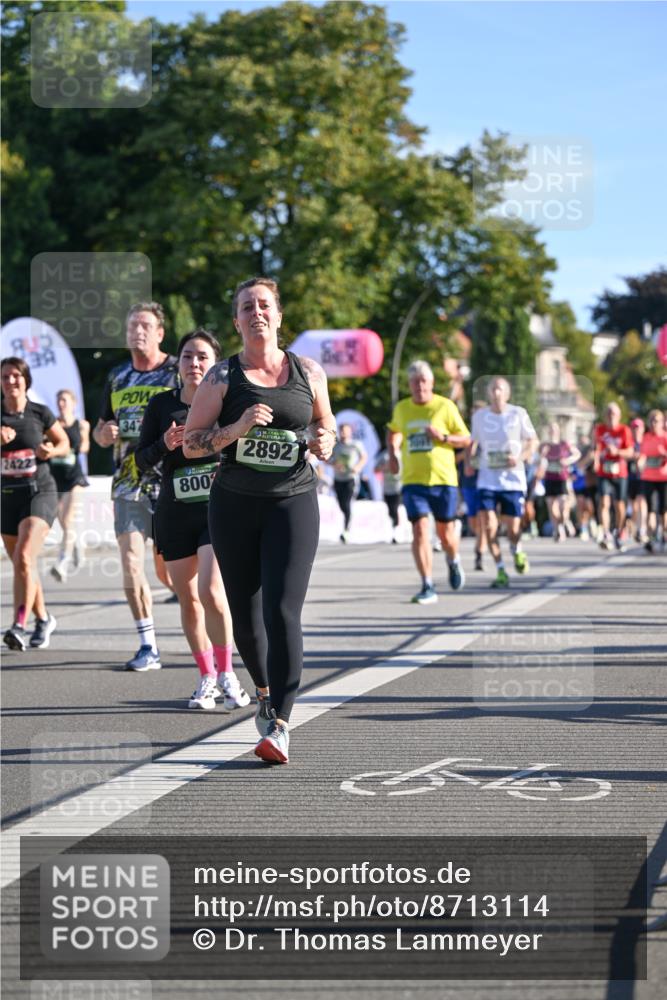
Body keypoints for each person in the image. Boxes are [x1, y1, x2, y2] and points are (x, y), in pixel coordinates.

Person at [183, 277, 336, 764]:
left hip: (293, 501)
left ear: (279, 315)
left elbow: (324, 421)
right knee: (246, 618)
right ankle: (265, 692)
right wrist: (237, 427)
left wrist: (325, 440)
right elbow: (191, 442)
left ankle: (281, 723)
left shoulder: (308, 371)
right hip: (234, 504)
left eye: (265, 305)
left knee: (282, 611)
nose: (257, 313)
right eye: (247, 306)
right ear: (237, 321)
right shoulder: (221, 379)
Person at [135, 329, 250, 710]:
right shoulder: (160, 406)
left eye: (202, 357)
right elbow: (140, 460)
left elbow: (243, 446)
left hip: (216, 511)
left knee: (212, 592)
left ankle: (227, 672)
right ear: (178, 363)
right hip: (173, 513)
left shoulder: (225, 402)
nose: (194, 363)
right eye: (187, 356)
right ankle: (206, 678)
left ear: (214, 363)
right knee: (188, 598)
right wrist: (164, 444)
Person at [93, 302, 179, 671]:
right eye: (132, 326)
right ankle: (148, 645)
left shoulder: (178, 370)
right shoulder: (117, 376)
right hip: (128, 483)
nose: (137, 331)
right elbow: (99, 431)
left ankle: (212, 630)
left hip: (173, 481)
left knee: (170, 573)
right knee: (130, 562)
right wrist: (103, 433)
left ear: (160, 333)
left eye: (145, 325)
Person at [387, 360, 470, 605]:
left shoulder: (445, 406)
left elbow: (465, 439)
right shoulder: (403, 408)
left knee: (446, 536)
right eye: (414, 382)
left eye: (423, 381)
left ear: (431, 383)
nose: (419, 386)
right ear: (410, 385)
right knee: (420, 530)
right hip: (414, 481)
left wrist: (442, 436)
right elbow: (394, 429)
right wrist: (392, 450)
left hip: (444, 480)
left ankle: (453, 560)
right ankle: (427, 584)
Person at [1, 357, 69, 650]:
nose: (11, 381)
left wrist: (50, 450)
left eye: (16, 375)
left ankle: (19, 624)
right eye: (5, 376)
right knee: (22, 564)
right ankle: (44, 618)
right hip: (6, 496)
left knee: (24, 557)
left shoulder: (39, 412)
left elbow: (65, 442)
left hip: (39, 492)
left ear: (26, 380)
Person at [468, 376, 538, 588]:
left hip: (513, 480)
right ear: (488, 394)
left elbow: (533, 441)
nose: (496, 393)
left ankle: (516, 550)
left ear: (507, 394)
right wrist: (470, 461)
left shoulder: (518, 414)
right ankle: (500, 571)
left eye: (500, 389)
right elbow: (473, 441)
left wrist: (520, 457)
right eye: (492, 389)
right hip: (488, 480)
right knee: (489, 526)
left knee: (513, 529)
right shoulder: (480, 416)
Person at [49, 389, 90, 582]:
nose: (61, 404)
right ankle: (77, 545)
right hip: (55, 477)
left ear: (73, 403)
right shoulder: (51, 424)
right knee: (63, 521)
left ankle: (62, 563)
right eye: (59, 401)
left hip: (74, 477)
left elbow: (85, 447)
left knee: (67, 517)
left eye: (64, 400)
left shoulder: (82, 425)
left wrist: (74, 444)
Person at [593, 402, 634, 551]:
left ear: (619, 416)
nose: (611, 416)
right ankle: (605, 534)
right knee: (603, 502)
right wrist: (596, 461)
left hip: (620, 472)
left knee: (620, 506)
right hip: (604, 471)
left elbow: (630, 452)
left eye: (614, 414)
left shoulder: (624, 430)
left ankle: (618, 532)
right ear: (605, 416)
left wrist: (617, 452)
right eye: (609, 413)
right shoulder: (600, 429)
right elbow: (596, 448)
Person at [537, 421, 580, 542]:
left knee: (563, 506)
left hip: (562, 478)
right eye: (550, 429)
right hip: (549, 478)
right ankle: (558, 529)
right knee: (551, 507)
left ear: (558, 431)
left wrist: (567, 461)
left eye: (554, 429)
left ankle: (565, 521)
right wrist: (542, 455)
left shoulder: (564, 444)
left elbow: (577, 454)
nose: (552, 431)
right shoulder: (544, 445)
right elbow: (538, 461)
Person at [328, 422, 366, 542]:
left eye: (346, 430)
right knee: (341, 504)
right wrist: (334, 464)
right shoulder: (336, 446)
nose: (344, 433)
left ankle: (346, 530)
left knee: (347, 503)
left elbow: (364, 457)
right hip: (338, 479)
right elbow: (328, 458)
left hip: (351, 478)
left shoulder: (356, 445)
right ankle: (346, 524)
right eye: (342, 430)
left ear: (350, 432)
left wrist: (358, 467)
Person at [638, 409, 667, 552]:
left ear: (662, 423)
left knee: (663, 510)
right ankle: (651, 537)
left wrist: (664, 454)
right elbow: (642, 455)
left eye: (657, 421)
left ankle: (664, 535)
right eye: (652, 421)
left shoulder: (665, 437)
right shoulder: (646, 437)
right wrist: (640, 462)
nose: (654, 423)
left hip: (664, 477)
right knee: (650, 508)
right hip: (648, 476)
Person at [374, 448, 402, 543]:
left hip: (398, 487)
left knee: (395, 509)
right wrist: (385, 468)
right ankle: (393, 529)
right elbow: (375, 469)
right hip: (386, 487)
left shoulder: (401, 454)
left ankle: (397, 532)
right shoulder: (384, 455)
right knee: (390, 510)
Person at [626, 418, 647, 543]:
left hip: (644, 477)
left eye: (638, 427)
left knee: (642, 502)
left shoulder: (646, 441)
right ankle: (634, 528)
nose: (636, 430)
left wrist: (642, 457)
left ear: (643, 429)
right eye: (634, 427)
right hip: (630, 477)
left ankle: (642, 529)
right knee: (633, 507)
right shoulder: (628, 443)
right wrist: (631, 456)